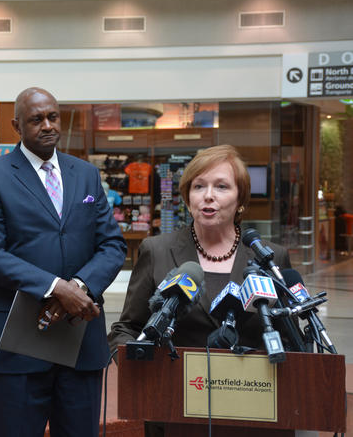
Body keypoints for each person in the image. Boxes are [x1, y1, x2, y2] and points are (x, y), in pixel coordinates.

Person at [0, 87, 126, 437]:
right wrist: (56, 289)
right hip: (20, 343)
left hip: (80, 338)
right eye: (36, 119)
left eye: (52, 116)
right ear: (17, 126)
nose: (47, 125)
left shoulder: (85, 174)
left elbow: (112, 245)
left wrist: (79, 289)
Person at [108, 144, 291, 350]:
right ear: (188, 198)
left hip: (251, 381)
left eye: (222, 186)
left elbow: (289, 340)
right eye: (199, 186)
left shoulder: (271, 258)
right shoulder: (156, 251)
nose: (208, 195)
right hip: (173, 379)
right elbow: (128, 329)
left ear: (240, 199)